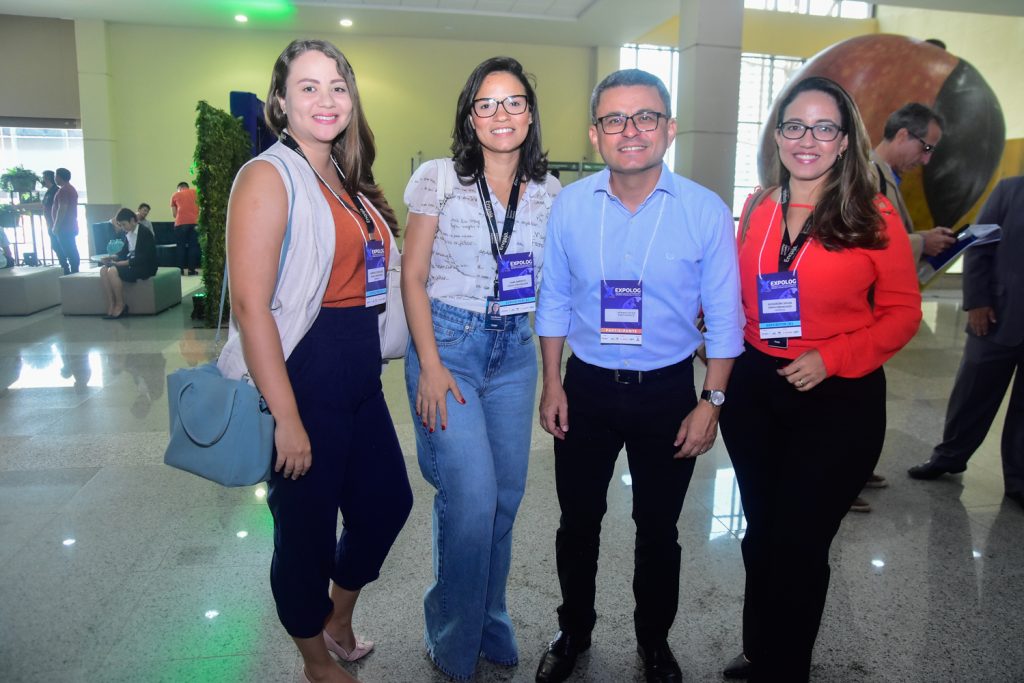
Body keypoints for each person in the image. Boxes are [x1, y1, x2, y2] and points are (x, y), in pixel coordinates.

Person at [534, 69, 743, 683]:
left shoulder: (705, 211)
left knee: (659, 530)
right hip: (587, 389)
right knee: (578, 523)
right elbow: (552, 303)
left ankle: (654, 641)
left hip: (670, 394)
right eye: (615, 120)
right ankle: (573, 630)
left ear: (669, 129)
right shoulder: (571, 206)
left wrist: (712, 404)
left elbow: (727, 322)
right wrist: (553, 382)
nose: (631, 131)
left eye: (646, 117)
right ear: (594, 133)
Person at [215, 39, 412, 683]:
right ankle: (313, 657)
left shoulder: (344, 178)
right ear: (280, 102)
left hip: (357, 370)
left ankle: (338, 614)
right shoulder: (268, 175)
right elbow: (251, 306)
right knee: (304, 530)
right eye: (308, 87)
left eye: (337, 86)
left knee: (386, 503)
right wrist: (287, 416)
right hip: (304, 369)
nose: (326, 99)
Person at [718, 76, 922, 682]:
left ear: (844, 141)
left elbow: (903, 313)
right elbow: (744, 290)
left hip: (838, 396)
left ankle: (788, 668)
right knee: (762, 533)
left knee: (800, 544)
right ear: (777, 134)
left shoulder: (872, 213)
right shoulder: (758, 204)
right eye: (795, 126)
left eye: (824, 127)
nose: (808, 139)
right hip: (756, 388)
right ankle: (760, 652)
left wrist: (831, 357)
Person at [401, 55, 560, 681]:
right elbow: (412, 277)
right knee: (470, 500)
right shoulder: (439, 178)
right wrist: (432, 367)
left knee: (505, 499)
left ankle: (490, 618)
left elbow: (553, 293)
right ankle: (452, 632)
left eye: (514, 101)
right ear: (470, 115)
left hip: (514, 352)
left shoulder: (550, 192)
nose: (501, 114)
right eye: (487, 104)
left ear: (530, 111)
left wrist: (554, 377)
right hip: (449, 344)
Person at [851, 102, 956, 510]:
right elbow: (861, 237)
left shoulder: (889, 176)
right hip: (859, 308)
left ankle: (856, 468)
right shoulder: (863, 174)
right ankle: (843, 479)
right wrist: (920, 242)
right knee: (856, 397)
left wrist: (923, 240)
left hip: (879, 308)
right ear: (901, 136)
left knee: (867, 397)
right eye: (926, 148)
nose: (926, 159)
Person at [907, 176, 1024, 509]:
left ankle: (1019, 479)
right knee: (973, 392)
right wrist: (977, 301)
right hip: (996, 314)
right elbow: (980, 244)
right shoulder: (1010, 190)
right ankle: (949, 457)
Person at [98, 207, 157, 318]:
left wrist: (122, 263)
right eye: (121, 225)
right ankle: (112, 303)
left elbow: (144, 257)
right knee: (103, 270)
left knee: (113, 271)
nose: (123, 228)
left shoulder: (144, 232)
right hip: (132, 264)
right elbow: (124, 251)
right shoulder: (129, 233)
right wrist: (112, 258)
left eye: (124, 224)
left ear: (132, 220)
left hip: (145, 267)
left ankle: (121, 304)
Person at [51, 167, 80, 274]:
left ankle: (72, 271)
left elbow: (62, 208)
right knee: (70, 248)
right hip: (70, 226)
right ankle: (72, 270)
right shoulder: (70, 189)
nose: (55, 178)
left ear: (59, 177)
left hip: (65, 227)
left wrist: (56, 226)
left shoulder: (64, 190)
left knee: (69, 250)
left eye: (55, 176)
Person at [170, 181, 200, 275]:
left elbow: (174, 214)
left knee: (181, 247)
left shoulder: (175, 195)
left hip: (180, 224)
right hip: (195, 223)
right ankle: (191, 270)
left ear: (179, 188)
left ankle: (180, 271)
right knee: (193, 247)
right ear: (187, 187)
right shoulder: (196, 192)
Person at [41, 170, 65, 268]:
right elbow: (43, 205)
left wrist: (56, 224)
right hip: (50, 223)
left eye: (44, 178)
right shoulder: (49, 192)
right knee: (55, 245)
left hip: (55, 224)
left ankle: (64, 266)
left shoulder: (56, 191)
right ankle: (63, 265)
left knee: (58, 246)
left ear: (47, 179)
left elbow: (60, 208)